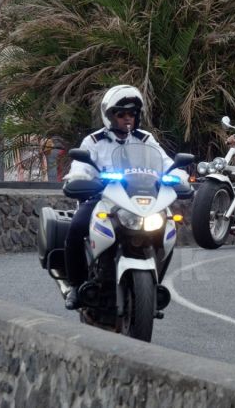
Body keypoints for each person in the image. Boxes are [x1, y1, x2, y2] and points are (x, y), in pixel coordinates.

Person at [62, 85, 188, 310]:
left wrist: (179, 177)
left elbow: (166, 164)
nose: (127, 119)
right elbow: (80, 166)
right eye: (121, 114)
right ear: (110, 116)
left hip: (141, 199)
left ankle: (154, 281)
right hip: (102, 199)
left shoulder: (145, 139)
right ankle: (76, 285)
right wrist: (80, 178)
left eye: (131, 114)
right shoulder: (94, 141)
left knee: (168, 226)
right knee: (76, 227)